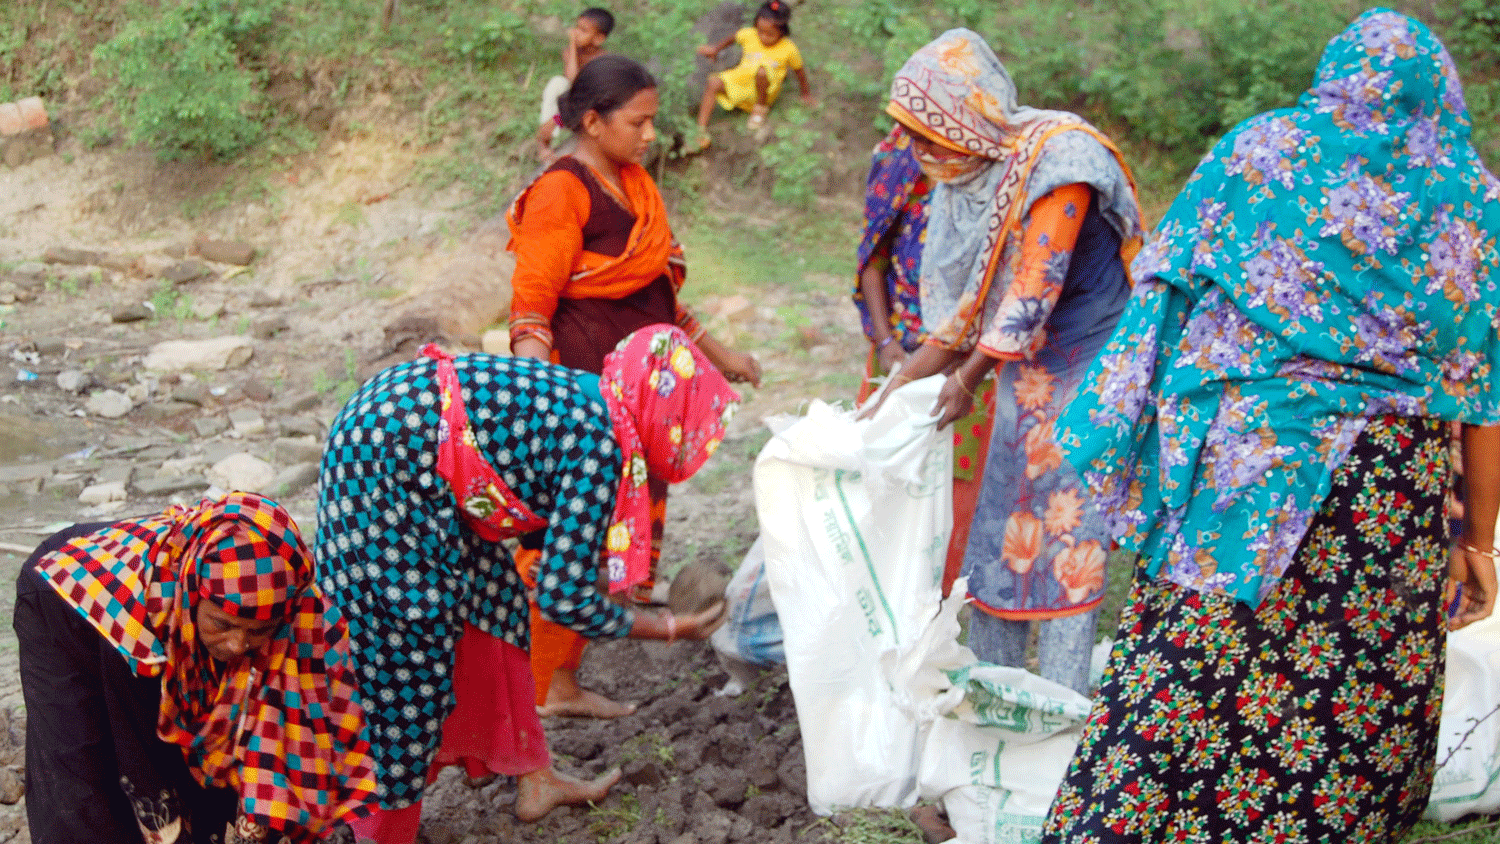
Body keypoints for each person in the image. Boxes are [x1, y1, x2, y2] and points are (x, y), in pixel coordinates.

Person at [1042, 10, 1500, 842]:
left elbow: (1166, 286)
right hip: (1387, 491)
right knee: (1344, 692)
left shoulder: (1262, 153)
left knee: (1195, 662)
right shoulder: (1473, 198)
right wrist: (1477, 542)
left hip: (1246, 465)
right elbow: (1483, 395)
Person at [316, 324, 737, 842]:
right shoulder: (600, 444)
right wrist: (668, 626)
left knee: (496, 597)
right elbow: (564, 597)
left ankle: (535, 779)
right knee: (408, 650)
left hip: (396, 429)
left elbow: (551, 550)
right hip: (381, 460)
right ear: (662, 411)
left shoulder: (599, 402)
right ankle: (380, 830)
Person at [865, 29, 1144, 695]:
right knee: (1005, 522)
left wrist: (963, 381)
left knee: (1069, 527)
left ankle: (1064, 707)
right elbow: (970, 309)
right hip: (1029, 361)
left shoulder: (1063, 162)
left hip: (1095, 360)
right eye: (910, 135)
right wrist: (895, 386)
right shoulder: (977, 170)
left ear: (966, 115)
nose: (920, 152)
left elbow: (1029, 294)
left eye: (928, 135)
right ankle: (999, 696)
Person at [507, 54, 761, 720]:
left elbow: (661, 296)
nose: (649, 134)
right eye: (638, 121)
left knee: (607, 540)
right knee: (562, 544)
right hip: (582, 397)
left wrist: (721, 354)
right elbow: (532, 305)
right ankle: (533, 692)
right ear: (591, 121)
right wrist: (538, 400)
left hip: (639, 405)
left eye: (652, 121)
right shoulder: (562, 190)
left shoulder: (632, 181)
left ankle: (561, 681)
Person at [14, 492, 376, 844]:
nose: (238, 644)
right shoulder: (139, 616)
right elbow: (139, 748)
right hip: (67, 600)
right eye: (222, 624)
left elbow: (292, 736)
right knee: (82, 779)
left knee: (213, 750)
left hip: (166, 628)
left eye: (258, 631)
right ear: (193, 597)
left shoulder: (300, 613)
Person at [852, 124, 992, 596]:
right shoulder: (898, 161)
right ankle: (877, 596)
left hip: (970, 359)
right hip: (898, 349)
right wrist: (887, 340)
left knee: (951, 487)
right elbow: (874, 257)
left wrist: (969, 364)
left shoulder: (994, 171)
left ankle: (933, 602)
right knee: (882, 467)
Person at [691, 0, 813, 150]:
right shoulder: (749, 34)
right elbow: (734, 37)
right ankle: (699, 130)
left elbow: (799, 71)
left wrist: (805, 93)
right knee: (713, 83)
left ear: (782, 31)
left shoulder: (788, 48)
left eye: (770, 34)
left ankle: (760, 110)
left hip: (763, 92)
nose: (763, 37)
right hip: (741, 82)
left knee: (761, 72)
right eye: (760, 31)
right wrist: (715, 49)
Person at [535, 7, 613, 164]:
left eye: (583, 31)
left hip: (591, 110)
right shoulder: (572, 53)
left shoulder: (603, 59)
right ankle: (544, 144)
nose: (576, 33)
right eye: (576, 27)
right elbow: (570, 83)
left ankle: (551, 131)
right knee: (557, 83)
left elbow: (575, 79)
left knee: (555, 120)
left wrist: (571, 43)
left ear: (598, 39)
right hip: (572, 104)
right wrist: (572, 48)